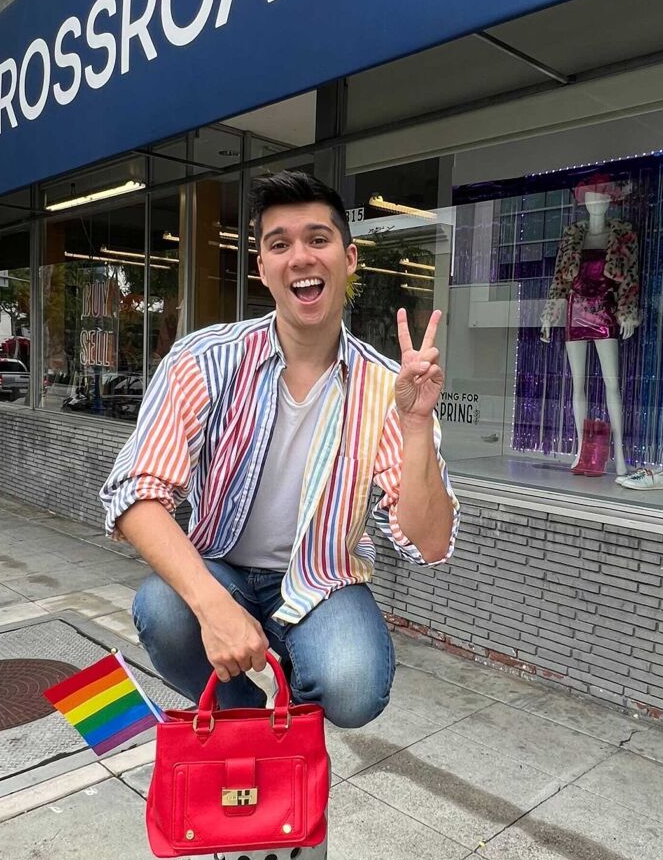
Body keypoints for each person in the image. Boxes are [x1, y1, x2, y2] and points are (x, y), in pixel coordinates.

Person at [99, 169, 458, 727]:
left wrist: (415, 424)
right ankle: (245, 721)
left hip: (323, 576)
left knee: (354, 684)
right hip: (224, 567)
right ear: (261, 267)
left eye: (318, 239)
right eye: (279, 244)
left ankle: (291, 698)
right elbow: (135, 495)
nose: (301, 257)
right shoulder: (206, 359)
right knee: (163, 609)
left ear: (350, 258)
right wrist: (213, 608)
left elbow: (430, 543)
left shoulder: (391, 388)